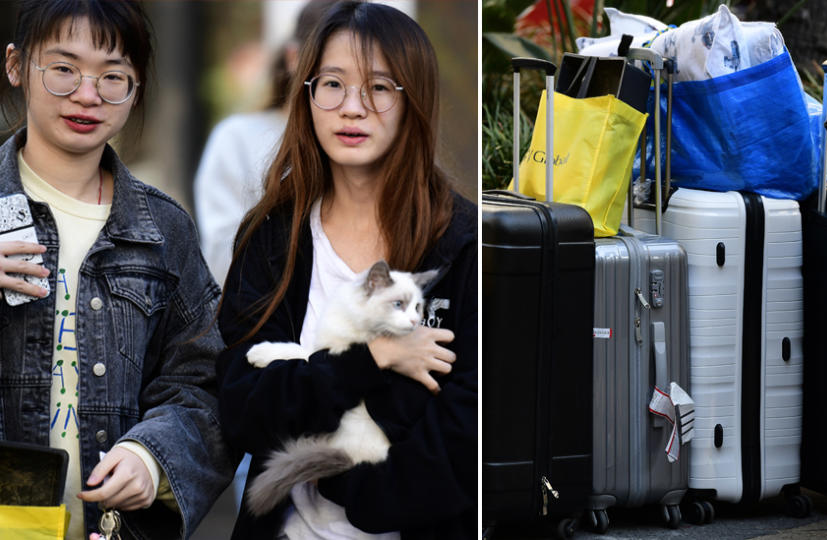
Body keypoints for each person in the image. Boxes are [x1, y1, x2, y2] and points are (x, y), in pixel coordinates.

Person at [215, 2, 477, 538]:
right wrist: (373, 359)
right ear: (307, 93)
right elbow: (243, 405)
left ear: (413, 101)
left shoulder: (461, 243)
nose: (352, 108)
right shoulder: (271, 236)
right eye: (332, 84)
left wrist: (338, 482)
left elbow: (462, 436)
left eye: (380, 88)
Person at [0, 1, 233, 538]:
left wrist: (151, 457)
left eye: (113, 77)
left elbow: (206, 381)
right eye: (63, 69)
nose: (88, 94)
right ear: (16, 65)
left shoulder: (164, 230)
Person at [194, 0, 334, 286]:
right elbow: (221, 263)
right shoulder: (237, 139)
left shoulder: (363, 143)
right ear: (293, 58)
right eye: (331, 68)